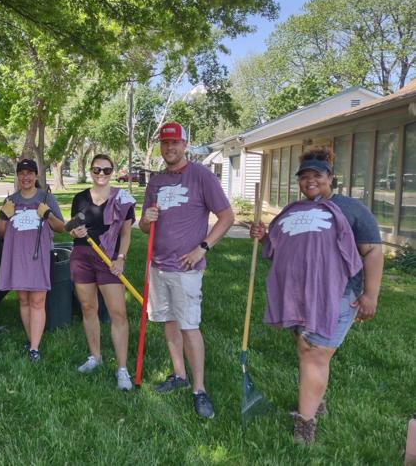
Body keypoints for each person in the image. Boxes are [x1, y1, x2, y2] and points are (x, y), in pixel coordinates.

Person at [250, 146, 383, 444]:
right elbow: (281, 249)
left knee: (313, 354)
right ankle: (314, 399)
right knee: (305, 351)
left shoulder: (351, 209)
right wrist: (263, 237)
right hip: (296, 293)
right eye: (304, 176)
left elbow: (373, 250)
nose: (310, 181)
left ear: (331, 178)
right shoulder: (294, 210)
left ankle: (305, 423)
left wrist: (370, 294)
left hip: (336, 294)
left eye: (317, 175)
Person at [138, 122, 234, 418]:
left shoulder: (201, 176)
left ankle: (199, 389)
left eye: (175, 143)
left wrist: (202, 248)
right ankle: (179, 375)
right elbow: (143, 225)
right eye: (165, 144)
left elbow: (227, 216)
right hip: (158, 265)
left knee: (189, 326)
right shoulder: (155, 182)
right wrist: (146, 219)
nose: (170, 148)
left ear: (185, 144)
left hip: (186, 268)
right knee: (168, 321)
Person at [68, 154, 135, 390]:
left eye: (106, 170)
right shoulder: (80, 198)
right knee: (88, 308)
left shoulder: (123, 198)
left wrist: (121, 258)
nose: (101, 174)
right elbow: (73, 227)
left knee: (118, 313)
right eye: (97, 170)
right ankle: (95, 356)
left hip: (109, 259)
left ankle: (122, 369)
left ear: (113, 172)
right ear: (90, 171)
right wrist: (74, 232)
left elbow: (126, 234)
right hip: (82, 257)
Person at [0, 159, 65, 362]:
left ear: (36, 176)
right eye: (22, 173)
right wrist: (2, 217)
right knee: (24, 300)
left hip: (38, 257)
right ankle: (31, 339)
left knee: (37, 301)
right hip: (17, 256)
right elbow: (0, 234)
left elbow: (61, 228)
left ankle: (34, 348)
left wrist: (48, 215)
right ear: (17, 176)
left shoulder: (46, 198)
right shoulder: (11, 200)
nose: (25, 177)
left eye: (30, 173)